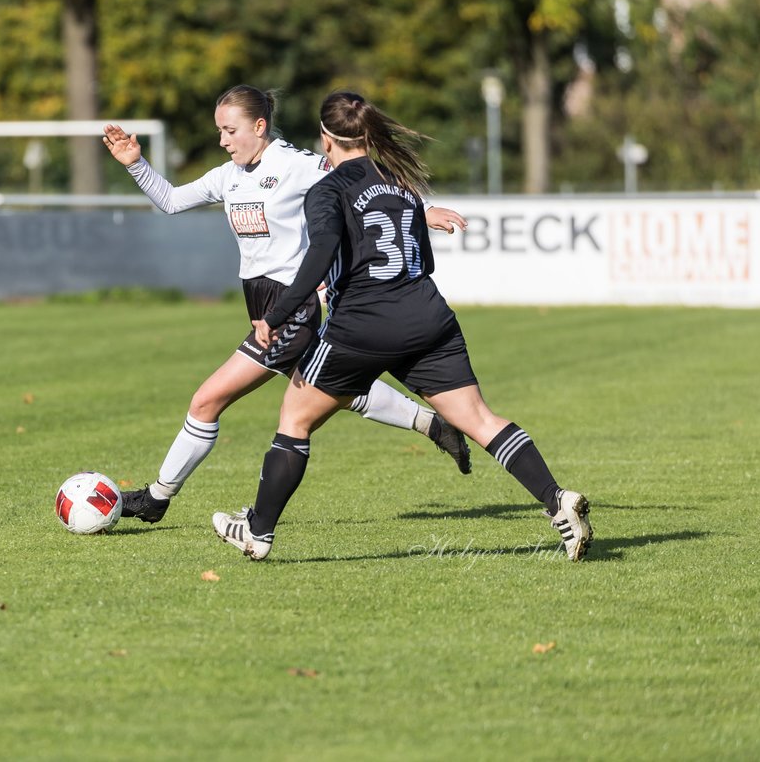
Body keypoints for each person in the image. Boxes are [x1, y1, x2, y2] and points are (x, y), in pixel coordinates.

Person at [211, 90, 593, 561]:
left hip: (365, 324)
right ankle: (558, 501)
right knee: (479, 419)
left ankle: (258, 533)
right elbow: (424, 258)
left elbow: (320, 256)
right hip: (429, 317)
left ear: (326, 139)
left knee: (295, 418)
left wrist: (276, 314)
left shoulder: (327, 189)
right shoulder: (398, 179)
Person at [101, 85, 471, 525]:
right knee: (332, 388)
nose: (222, 139)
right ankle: (433, 424)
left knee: (207, 401)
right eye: (219, 130)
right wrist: (136, 164)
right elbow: (171, 200)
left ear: (259, 126)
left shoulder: (297, 165)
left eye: (229, 130)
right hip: (261, 305)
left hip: (290, 307)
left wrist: (422, 210)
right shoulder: (228, 175)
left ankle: (157, 499)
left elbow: (362, 177)